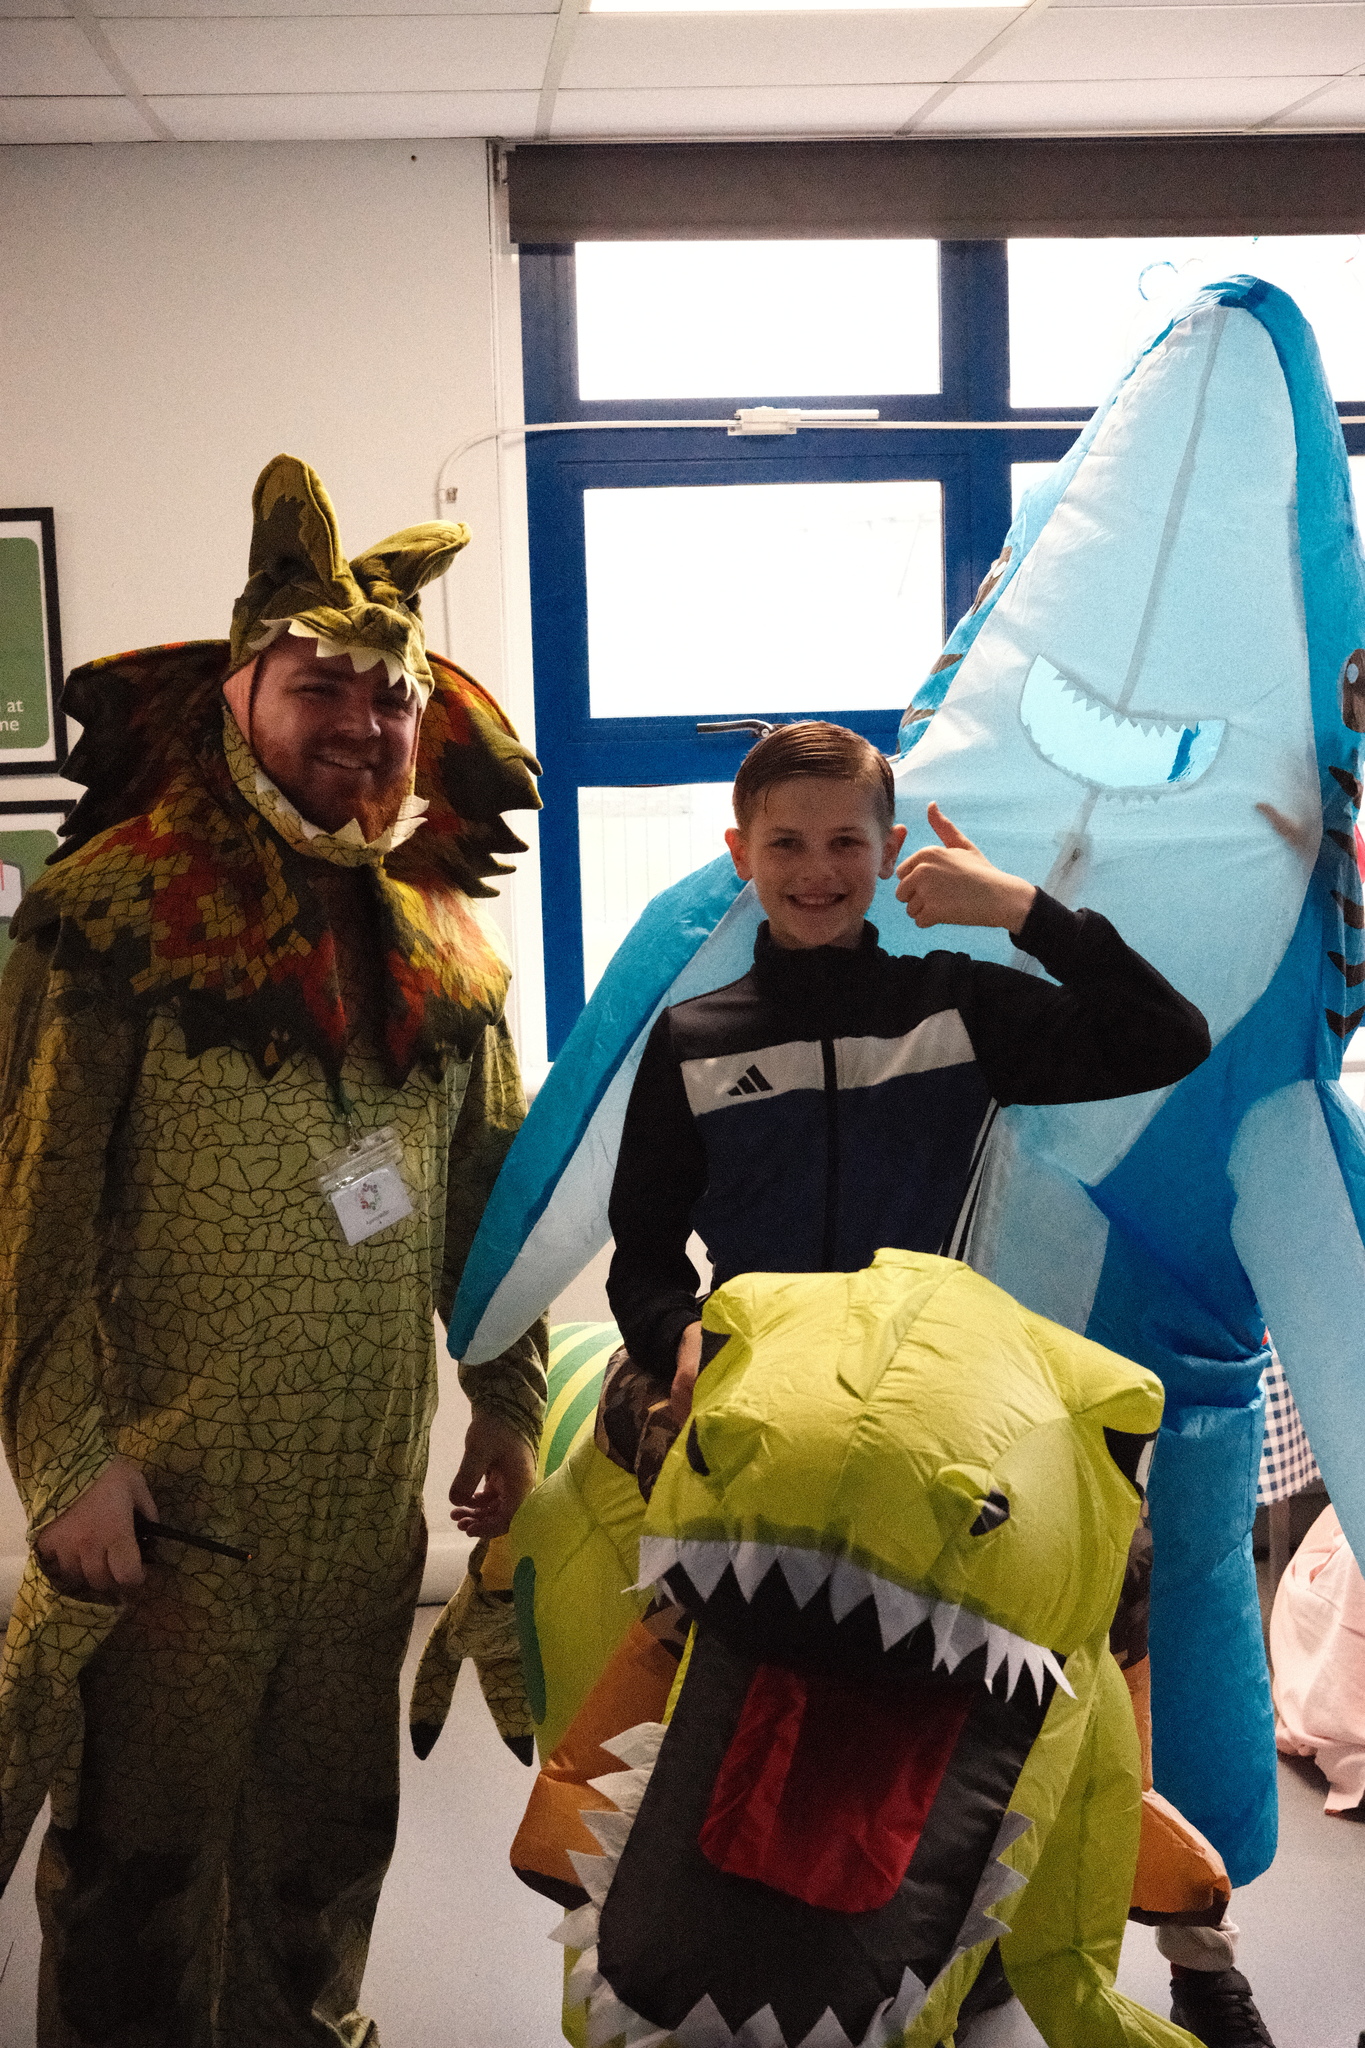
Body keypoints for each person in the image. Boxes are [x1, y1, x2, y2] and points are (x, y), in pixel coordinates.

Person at [0, 454, 545, 2046]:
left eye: (393, 699)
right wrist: (66, 1459)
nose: (363, 727)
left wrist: (506, 1400)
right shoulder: (112, 914)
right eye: (323, 689)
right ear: (239, 691)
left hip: (357, 1510)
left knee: (322, 1852)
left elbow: (485, 1194)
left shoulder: (443, 941)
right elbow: (27, 1201)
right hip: (168, 1510)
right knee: (140, 1869)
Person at [606, 719, 1210, 1420]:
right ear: (741, 853)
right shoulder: (693, 1040)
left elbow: (1168, 1037)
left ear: (889, 851)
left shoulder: (957, 1009)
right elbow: (643, 1256)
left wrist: (1022, 910)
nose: (816, 870)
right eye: (785, 843)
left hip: (922, 1394)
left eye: (845, 842)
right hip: (755, 1389)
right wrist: (677, 1334)